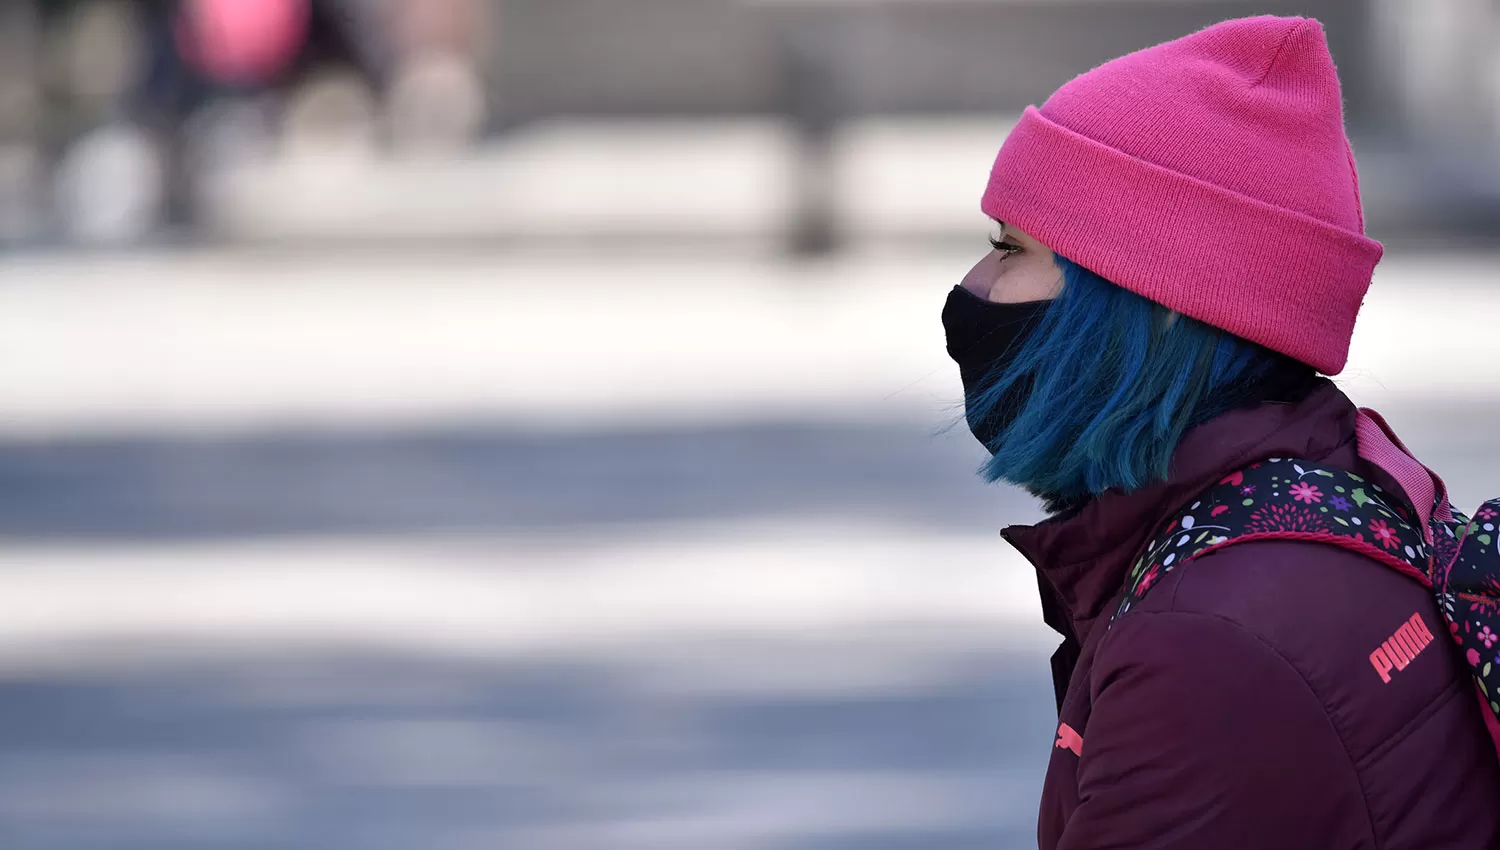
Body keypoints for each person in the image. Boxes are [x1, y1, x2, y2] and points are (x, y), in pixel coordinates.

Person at [941, 16, 1500, 849]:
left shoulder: (1210, 645)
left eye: (1009, 248)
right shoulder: (1329, 482)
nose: (972, 286)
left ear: (1161, 309)